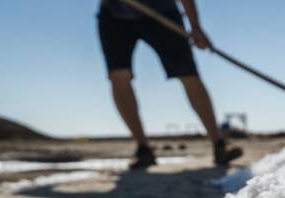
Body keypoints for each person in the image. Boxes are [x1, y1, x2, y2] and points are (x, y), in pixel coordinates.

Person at [97, 0, 242, 169]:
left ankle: (219, 144)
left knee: (188, 73)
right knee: (119, 75)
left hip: (162, 12)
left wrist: (195, 27)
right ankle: (144, 149)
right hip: (115, 15)